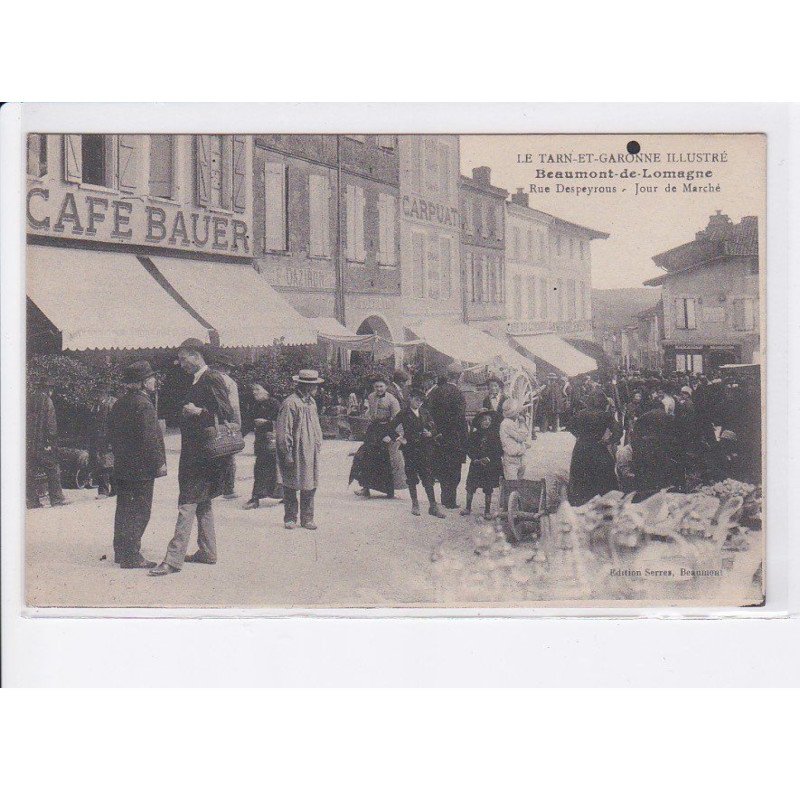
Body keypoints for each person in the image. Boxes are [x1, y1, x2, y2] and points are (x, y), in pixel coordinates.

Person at [150, 339, 235, 576]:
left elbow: (226, 412)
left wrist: (199, 412)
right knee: (203, 500)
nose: (181, 363)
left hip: (202, 453)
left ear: (196, 356)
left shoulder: (211, 378)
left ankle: (173, 559)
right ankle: (208, 551)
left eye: (184, 358)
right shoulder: (197, 379)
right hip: (197, 449)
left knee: (187, 501)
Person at [108, 360, 166, 569]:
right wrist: (159, 463)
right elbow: (150, 439)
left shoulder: (120, 403)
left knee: (124, 508)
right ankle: (132, 556)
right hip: (141, 468)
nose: (154, 381)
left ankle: (121, 552)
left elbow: (112, 433)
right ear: (142, 383)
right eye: (151, 378)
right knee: (140, 510)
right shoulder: (144, 405)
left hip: (123, 465)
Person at [275, 369, 324, 530]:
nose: (316, 389)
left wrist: (318, 443)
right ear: (306, 386)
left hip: (310, 450)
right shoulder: (291, 403)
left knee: (310, 483)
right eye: (314, 386)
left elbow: (315, 425)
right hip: (295, 450)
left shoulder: (311, 402)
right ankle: (290, 518)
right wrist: (287, 452)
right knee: (291, 483)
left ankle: (307, 518)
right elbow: (284, 430)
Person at [389, 387, 445, 518]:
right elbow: (390, 427)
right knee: (412, 477)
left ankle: (433, 506)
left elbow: (435, 428)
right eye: (416, 399)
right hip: (410, 450)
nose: (418, 402)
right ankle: (415, 504)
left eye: (421, 401)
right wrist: (399, 438)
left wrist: (430, 433)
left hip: (425, 449)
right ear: (410, 399)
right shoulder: (403, 413)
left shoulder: (425, 412)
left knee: (428, 477)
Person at [350, 376, 402, 499]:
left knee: (384, 460)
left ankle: (389, 491)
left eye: (381, 386)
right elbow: (370, 414)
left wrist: (391, 436)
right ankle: (366, 488)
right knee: (366, 457)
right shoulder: (371, 396)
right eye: (376, 386)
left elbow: (397, 420)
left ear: (386, 387)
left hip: (386, 429)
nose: (379, 389)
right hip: (373, 429)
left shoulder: (392, 400)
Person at [426, 362, 468, 509]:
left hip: (438, 437)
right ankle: (450, 500)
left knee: (442, 467)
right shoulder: (458, 394)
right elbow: (459, 418)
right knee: (454, 469)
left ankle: (444, 497)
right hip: (454, 438)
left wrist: (437, 431)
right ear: (459, 377)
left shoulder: (436, 391)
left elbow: (428, 413)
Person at [567, 393, 618, 506]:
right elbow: (618, 430)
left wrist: (579, 436)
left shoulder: (580, 413)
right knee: (603, 476)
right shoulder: (605, 415)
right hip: (598, 447)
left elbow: (569, 426)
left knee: (580, 475)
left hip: (581, 448)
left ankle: (579, 502)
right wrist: (608, 441)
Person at [26, 379, 70, 509]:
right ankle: (56, 499)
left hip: (29, 443)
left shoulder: (30, 399)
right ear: (48, 389)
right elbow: (51, 425)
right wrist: (50, 441)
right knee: (53, 468)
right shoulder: (47, 401)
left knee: (30, 471)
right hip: (43, 443)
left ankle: (32, 501)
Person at [207, 348, 242, 500]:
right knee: (228, 452)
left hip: (208, 419)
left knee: (211, 452)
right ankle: (228, 489)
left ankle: (211, 489)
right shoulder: (229, 382)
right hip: (225, 420)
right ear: (226, 367)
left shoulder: (206, 378)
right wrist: (237, 423)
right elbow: (234, 406)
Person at [244, 383, 282, 509]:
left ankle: (285, 495)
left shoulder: (275, 404)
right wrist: (238, 437)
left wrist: (268, 423)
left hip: (273, 443)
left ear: (267, 391)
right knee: (260, 469)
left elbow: (283, 422)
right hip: (261, 443)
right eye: (253, 389)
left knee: (278, 470)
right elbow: (248, 422)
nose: (254, 392)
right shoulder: (255, 405)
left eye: (257, 389)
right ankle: (256, 498)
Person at [462, 410, 503, 520]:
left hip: (489, 466)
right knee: (470, 487)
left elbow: (499, 450)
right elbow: (469, 448)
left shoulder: (495, 435)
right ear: (480, 421)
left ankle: (487, 511)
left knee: (488, 488)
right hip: (476, 465)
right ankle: (468, 508)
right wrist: (476, 459)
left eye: (489, 420)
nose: (487, 422)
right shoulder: (474, 435)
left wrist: (489, 458)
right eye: (484, 419)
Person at [89, 381, 117, 497]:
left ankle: (106, 491)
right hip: (98, 439)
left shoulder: (112, 403)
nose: (98, 395)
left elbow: (115, 423)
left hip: (108, 438)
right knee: (102, 464)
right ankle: (108, 490)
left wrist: (113, 439)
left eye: (100, 393)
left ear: (106, 393)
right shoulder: (97, 405)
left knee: (107, 465)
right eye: (97, 393)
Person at [499, 400, 531, 480]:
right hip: (512, 457)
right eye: (517, 412)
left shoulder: (512, 422)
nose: (518, 414)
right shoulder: (506, 424)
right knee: (512, 483)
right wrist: (522, 423)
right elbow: (521, 437)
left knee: (518, 482)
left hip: (519, 456)